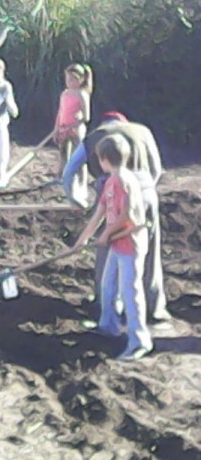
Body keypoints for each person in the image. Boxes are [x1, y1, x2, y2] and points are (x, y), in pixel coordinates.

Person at [63, 112, 169, 322]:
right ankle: (154, 306)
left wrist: (75, 199)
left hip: (113, 194)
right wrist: (143, 190)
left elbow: (69, 171)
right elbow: (156, 169)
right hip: (147, 192)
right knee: (149, 250)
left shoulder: (95, 136)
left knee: (108, 252)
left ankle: (107, 305)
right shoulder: (143, 131)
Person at [74, 134, 151, 361]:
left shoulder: (123, 181)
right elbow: (100, 212)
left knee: (130, 292)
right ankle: (109, 325)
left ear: (104, 159)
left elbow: (128, 216)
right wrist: (83, 239)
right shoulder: (111, 181)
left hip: (130, 245)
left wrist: (106, 234)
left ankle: (139, 341)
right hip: (118, 245)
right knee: (108, 285)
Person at [54, 63, 92, 198]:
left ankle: (82, 184)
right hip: (63, 129)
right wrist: (56, 128)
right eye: (67, 79)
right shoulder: (64, 93)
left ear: (80, 79)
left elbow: (87, 117)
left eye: (72, 79)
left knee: (78, 158)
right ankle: (63, 180)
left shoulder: (82, 94)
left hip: (76, 130)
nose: (69, 82)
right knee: (64, 155)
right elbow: (61, 112)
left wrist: (77, 121)